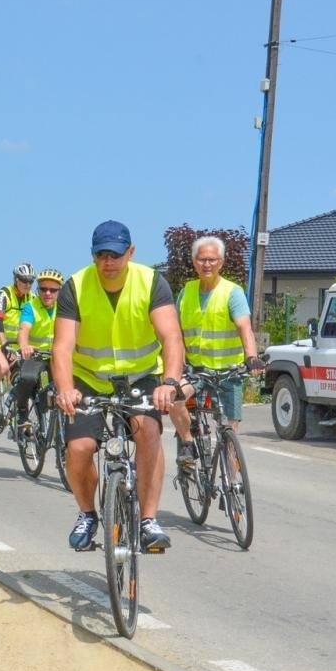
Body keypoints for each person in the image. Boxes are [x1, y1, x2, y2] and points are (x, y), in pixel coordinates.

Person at [51, 221, 186, 553]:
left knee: (148, 432)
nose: (108, 262)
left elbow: (171, 336)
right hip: (89, 378)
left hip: (141, 378)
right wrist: (65, 389)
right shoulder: (76, 286)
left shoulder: (152, 282)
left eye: (115, 254)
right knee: (80, 448)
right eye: (101, 255)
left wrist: (169, 382)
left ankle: (148, 521)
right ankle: (87, 515)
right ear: (93, 255)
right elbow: (62, 347)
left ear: (131, 252)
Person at [166, 236, 261, 470]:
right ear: (194, 262)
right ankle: (188, 441)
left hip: (229, 372)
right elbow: (174, 333)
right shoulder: (185, 292)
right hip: (196, 371)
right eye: (202, 259)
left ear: (221, 262)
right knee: (174, 399)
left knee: (230, 430)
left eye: (212, 260)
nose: (206, 264)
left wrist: (252, 358)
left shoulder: (233, 292)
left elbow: (245, 328)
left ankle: (233, 486)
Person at [0, 263, 35, 412]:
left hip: (14, 344)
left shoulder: (33, 299)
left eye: (31, 281)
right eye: (24, 280)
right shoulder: (4, 295)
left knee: (22, 378)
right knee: (2, 367)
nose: (27, 284)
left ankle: (12, 414)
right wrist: (3, 343)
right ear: (16, 279)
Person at [10, 268, 63, 429]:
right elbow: (23, 329)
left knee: (64, 387)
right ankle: (22, 411)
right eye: (43, 289)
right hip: (35, 354)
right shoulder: (30, 307)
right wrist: (24, 346)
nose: (48, 293)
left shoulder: (64, 308)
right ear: (38, 290)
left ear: (60, 291)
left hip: (56, 355)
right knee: (28, 379)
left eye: (53, 290)